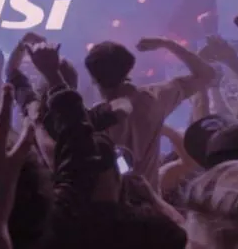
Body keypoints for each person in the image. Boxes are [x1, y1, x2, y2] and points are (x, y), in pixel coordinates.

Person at [84, 38, 216, 189]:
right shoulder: (154, 98)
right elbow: (207, 74)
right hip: (151, 198)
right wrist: (167, 44)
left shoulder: (93, 120)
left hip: (111, 201)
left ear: (94, 79)